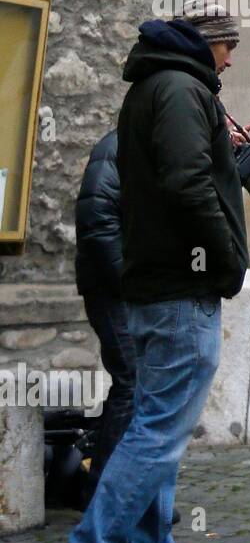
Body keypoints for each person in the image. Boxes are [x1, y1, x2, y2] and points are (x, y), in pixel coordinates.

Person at [44, 2, 249, 543]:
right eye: (227, 45)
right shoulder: (183, 88)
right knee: (158, 427)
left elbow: (179, 177)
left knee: (153, 420)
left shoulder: (154, 85)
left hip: (160, 281)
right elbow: (188, 183)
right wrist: (227, 256)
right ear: (206, 43)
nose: (231, 58)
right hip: (180, 286)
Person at [73, 131, 134, 501]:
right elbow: (96, 222)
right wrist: (130, 281)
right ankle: (103, 495)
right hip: (112, 289)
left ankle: (122, 493)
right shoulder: (116, 148)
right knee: (132, 382)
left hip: (124, 286)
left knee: (136, 386)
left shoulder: (137, 147)